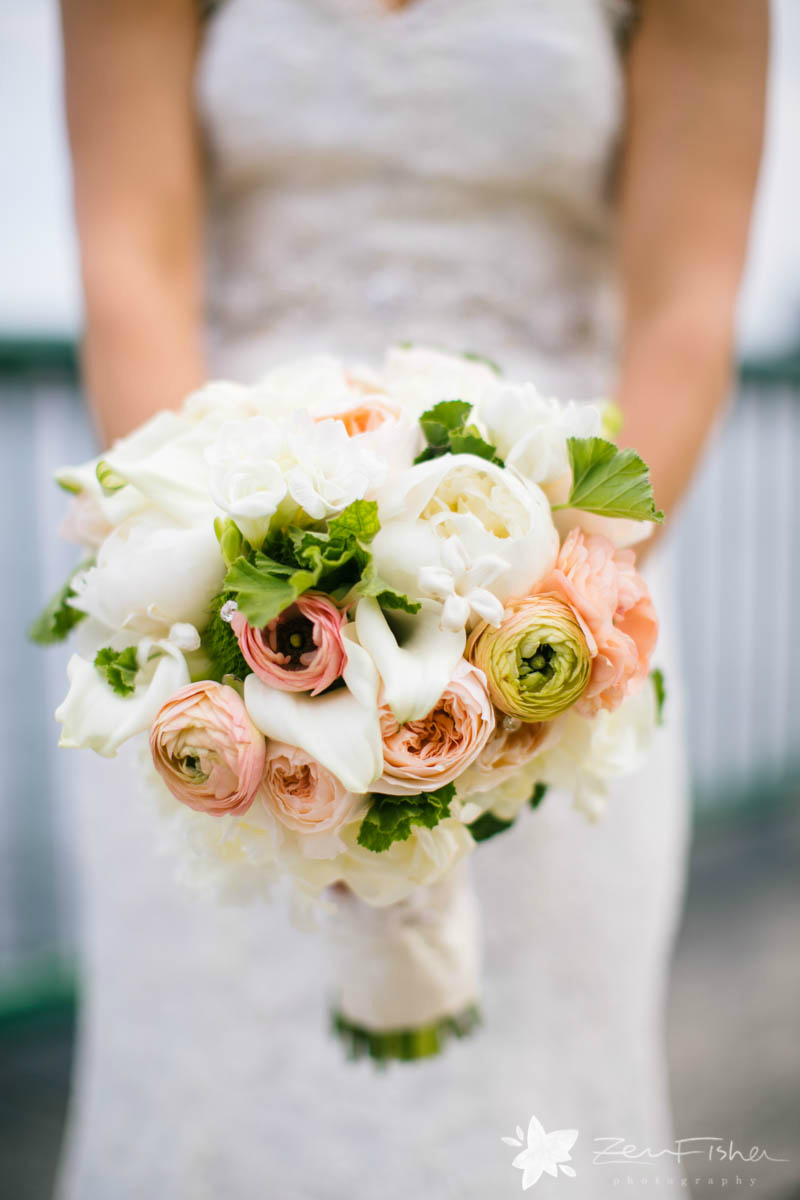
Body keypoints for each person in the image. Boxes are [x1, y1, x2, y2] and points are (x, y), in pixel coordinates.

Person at [56, 1, 767, 1196]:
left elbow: (683, 316)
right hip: (219, 590)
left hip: (541, 568)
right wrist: (234, 625)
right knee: (210, 1088)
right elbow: (131, 268)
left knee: (525, 1097)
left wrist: (543, 626)